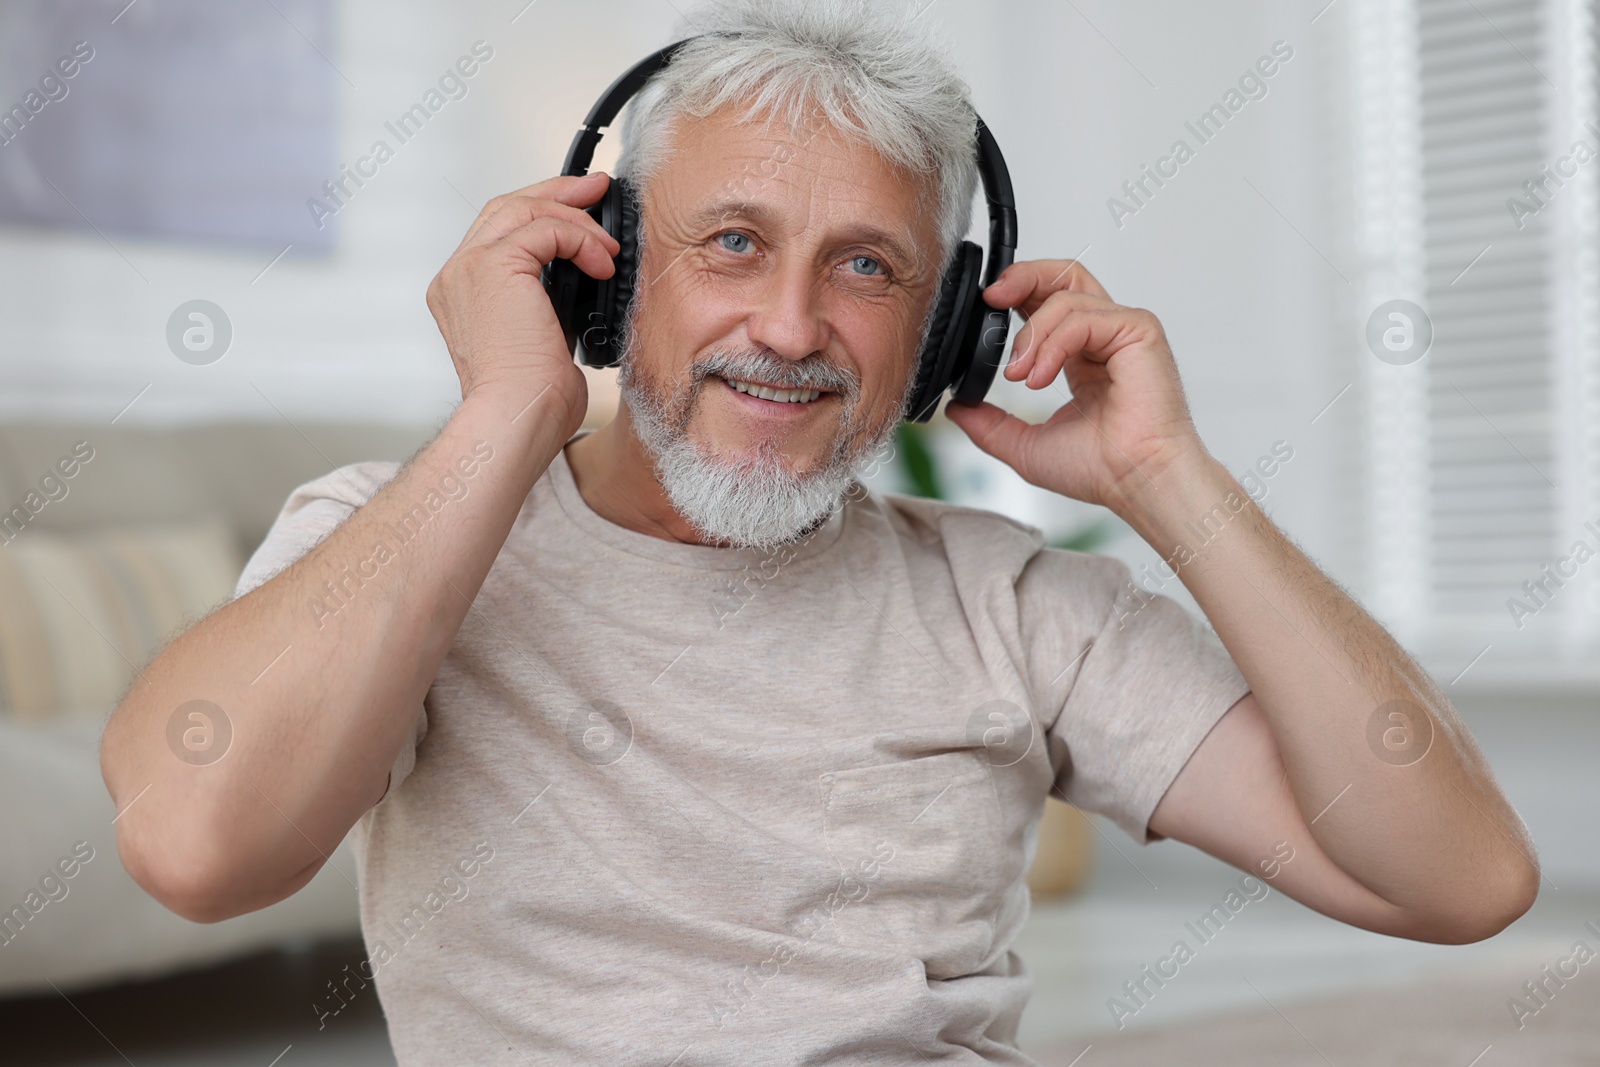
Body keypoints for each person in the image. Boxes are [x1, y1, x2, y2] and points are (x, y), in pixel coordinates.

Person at [100, 1, 1538, 1062]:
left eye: (866, 267)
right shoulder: (395, 541)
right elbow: (196, 844)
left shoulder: (1010, 606)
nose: (790, 329)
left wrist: (1173, 478)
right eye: (730, 243)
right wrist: (504, 413)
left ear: (941, 337)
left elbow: (1463, 880)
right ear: (608, 276)